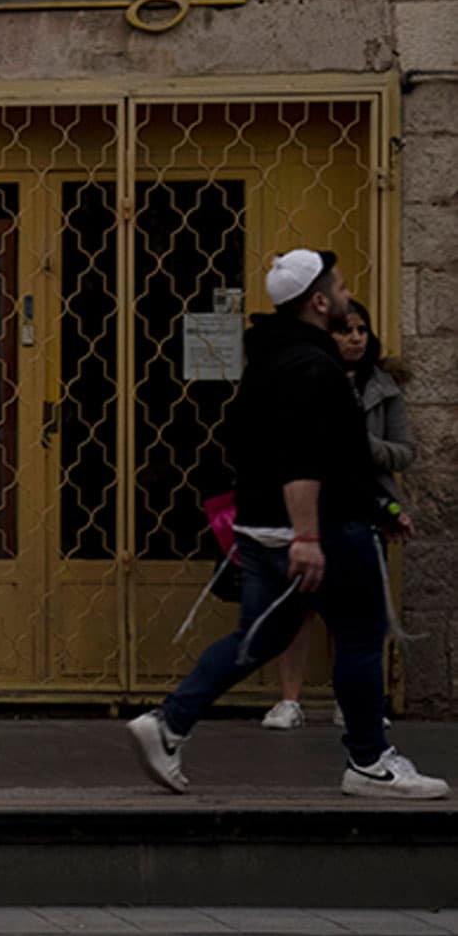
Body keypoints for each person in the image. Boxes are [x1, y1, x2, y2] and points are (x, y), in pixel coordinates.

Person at [128, 252, 443, 800]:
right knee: (362, 636)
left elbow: (320, 454)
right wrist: (309, 537)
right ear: (318, 301)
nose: (346, 295)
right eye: (339, 288)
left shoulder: (268, 362)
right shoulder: (313, 368)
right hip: (318, 531)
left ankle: (169, 723)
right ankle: (370, 762)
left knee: (263, 635)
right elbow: (304, 458)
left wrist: (382, 510)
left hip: (261, 530)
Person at [264, 296, 414, 731]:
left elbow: (404, 453)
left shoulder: (383, 389)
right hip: (308, 508)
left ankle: (350, 702)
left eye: (361, 331)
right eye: (345, 330)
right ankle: (288, 700)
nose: (354, 338)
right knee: (298, 606)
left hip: (364, 509)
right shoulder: (308, 377)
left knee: (353, 612)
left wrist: (363, 444)